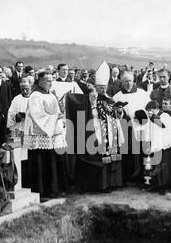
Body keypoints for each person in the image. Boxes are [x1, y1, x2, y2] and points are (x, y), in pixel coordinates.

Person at [74, 61, 124, 193]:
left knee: (110, 156)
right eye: (100, 87)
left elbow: (117, 116)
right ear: (96, 86)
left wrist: (119, 111)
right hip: (96, 131)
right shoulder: (91, 98)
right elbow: (89, 113)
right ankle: (99, 185)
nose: (103, 89)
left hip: (111, 132)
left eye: (104, 87)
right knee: (97, 157)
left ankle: (111, 184)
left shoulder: (109, 99)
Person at [23, 71, 68, 199]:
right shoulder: (35, 96)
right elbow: (37, 115)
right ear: (40, 81)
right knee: (42, 163)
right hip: (39, 134)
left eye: (51, 80)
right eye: (48, 80)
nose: (50, 83)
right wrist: (54, 117)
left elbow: (56, 111)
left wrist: (59, 119)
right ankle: (43, 190)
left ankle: (55, 188)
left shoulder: (51, 95)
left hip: (52, 132)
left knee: (53, 162)